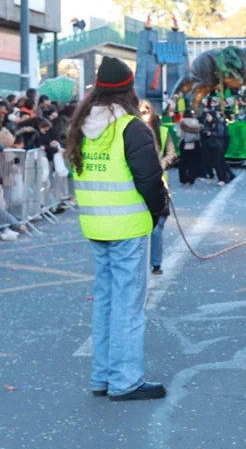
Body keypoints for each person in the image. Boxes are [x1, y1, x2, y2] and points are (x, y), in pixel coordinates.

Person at [66, 56, 168, 402]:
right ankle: (125, 381)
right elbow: (149, 179)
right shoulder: (131, 126)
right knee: (128, 305)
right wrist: (159, 209)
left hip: (95, 223)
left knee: (106, 301)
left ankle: (103, 377)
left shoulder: (82, 125)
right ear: (128, 89)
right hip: (128, 224)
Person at [139, 101, 176, 276]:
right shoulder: (130, 132)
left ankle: (155, 263)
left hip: (158, 185)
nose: (142, 115)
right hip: (137, 186)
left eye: (145, 111)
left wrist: (160, 165)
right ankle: (140, 263)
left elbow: (172, 154)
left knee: (157, 228)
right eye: (139, 112)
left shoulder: (162, 132)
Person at [201, 111, 233, 185]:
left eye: (209, 116)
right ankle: (219, 176)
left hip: (217, 145)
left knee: (218, 163)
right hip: (209, 145)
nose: (207, 118)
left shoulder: (218, 123)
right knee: (210, 162)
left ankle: (222, 179)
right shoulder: (207, 124)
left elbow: (220, 134)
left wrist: (211, 133)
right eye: (207, 116)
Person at [175, 110, 203, 186]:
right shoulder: (196, 121)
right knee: (193, 162)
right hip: (195, 143)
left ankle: (183, 180)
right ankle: (191, 179)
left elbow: (178, 134)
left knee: (183, 163)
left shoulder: (181, 122)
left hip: (184, 143)